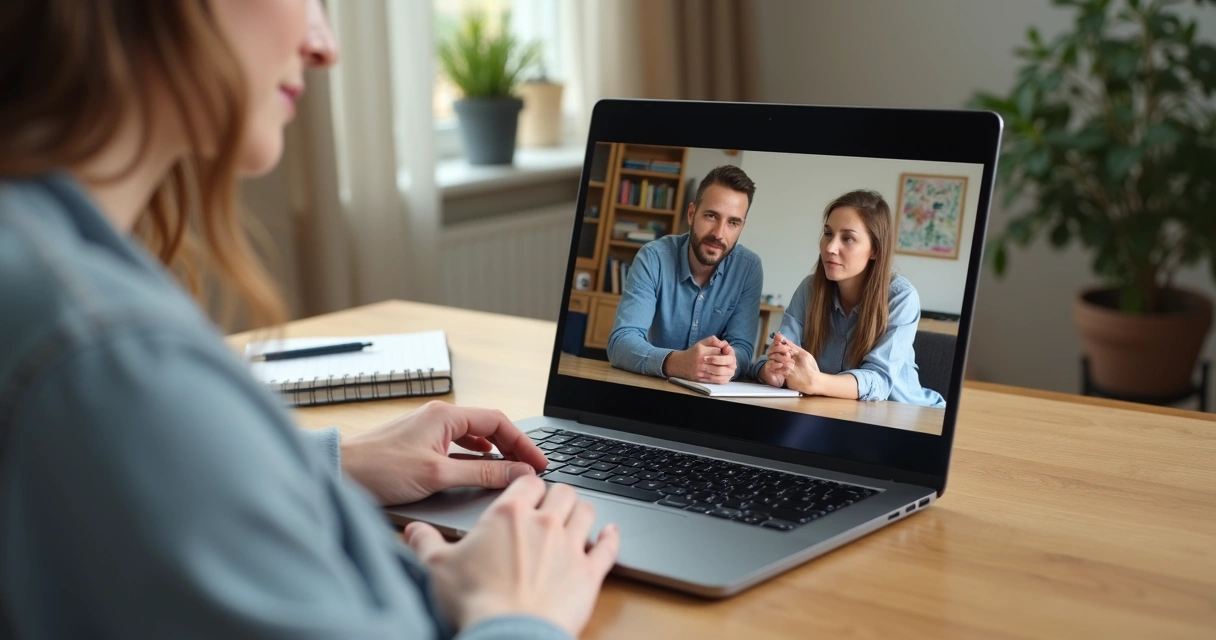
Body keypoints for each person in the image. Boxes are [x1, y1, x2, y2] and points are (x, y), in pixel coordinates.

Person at [0, 2, 617, 638]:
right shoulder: (111, 361)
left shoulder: (37, 271)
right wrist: (516, 613)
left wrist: (326, 463)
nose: (325, 47)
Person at [754, 190, 946, 408]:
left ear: (875, 249)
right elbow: (771, 359)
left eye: (847, 238)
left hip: (906, 417)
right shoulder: (809, 290)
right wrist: (772, 370)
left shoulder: (901, 297)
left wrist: (815, 382)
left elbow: (879, 382)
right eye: (828, 233)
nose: (830, 248)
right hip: (833, 412)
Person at [607, 165, 764, 383]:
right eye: (711, 215)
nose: (719, 234)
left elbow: (743, 349)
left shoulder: (749, 268)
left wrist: (726, 363)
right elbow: (621, 342)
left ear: (741, 227)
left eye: (733, 223)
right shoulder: (653, 258)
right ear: (692, 214)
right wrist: (677, 363)